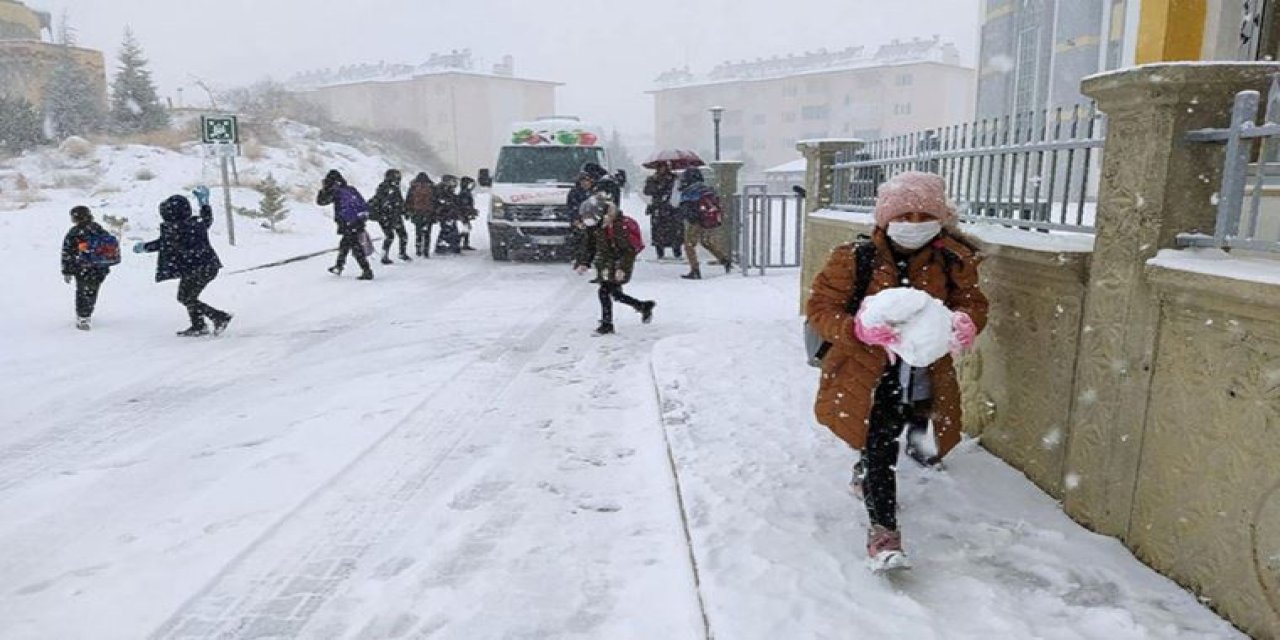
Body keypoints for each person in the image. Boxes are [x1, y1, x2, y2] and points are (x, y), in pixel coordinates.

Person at [806, 171, 988, 570]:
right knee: (879, 441)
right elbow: (820, 307)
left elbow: (971, 301)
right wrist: (855, 328)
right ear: (886, 219)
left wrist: (965, 321)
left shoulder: (952, 258)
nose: (914, 225)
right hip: (869, 371)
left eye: (925, 216)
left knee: (923, 435)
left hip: (925, 370)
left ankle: (882, 465)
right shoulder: (854, 257)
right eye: (905, 216)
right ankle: (884, 532)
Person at [133, 188, 234, 337]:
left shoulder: (174, 228)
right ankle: (199, 325)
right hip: (207, 266)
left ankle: (218, 317)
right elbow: (207, 219)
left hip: (195, 268)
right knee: (187, 296)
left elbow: (163, 244)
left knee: (186, 297)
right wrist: (204, 203)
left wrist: (145, 247)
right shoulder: (196, 223)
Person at [574, 193, 655, 336]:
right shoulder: (597, 226)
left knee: (604, 291)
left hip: (619, 262)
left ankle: (607, 324)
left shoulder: (617, 226)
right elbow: (590, 245)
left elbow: (628, 250)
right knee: (615, 293)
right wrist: (584, 262)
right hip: (606, 262)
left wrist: (621, 268)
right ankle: (643, 306)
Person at [60, 206, 115, 330]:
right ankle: (87, 313)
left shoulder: (74, 232)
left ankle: (83, 317)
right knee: (93, 291)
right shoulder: (98, 228)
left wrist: (67, 271)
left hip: (83, 267)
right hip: (99, 267)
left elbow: (67, 253)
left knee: (82, 292)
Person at [316, 170, 374, 280]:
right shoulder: (350, 189)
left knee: (355, 247)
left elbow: (321, 202)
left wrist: (323, 189)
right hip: (357, 221)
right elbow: (363, 204)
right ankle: (339, 266)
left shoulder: (335, 191)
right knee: (345, 244)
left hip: (347, 223)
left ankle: (367, 270)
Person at [677, 168, 732, 279]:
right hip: (708, 220)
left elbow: (685, 208)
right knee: (706, 242)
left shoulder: (690, 191)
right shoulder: (707, 189)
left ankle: (695, 269)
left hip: (695, 221)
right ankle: (724, 260)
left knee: (689, 245)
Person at [368, 168, 411, 264]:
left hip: (393, 216)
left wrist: (404, 211)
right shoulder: (385, 188)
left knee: (400, 235)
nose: (398, 178)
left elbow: (399, 202)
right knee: (391, 236)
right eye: (396, 176)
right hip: (386, 216)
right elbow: (386, 202)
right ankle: (386, 256)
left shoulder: (394, 187)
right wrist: (399, 210)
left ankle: (400, 254)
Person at [643, 162, 682, 260]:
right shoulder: (652, 179)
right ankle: (660, 252)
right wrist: (657, 187)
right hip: (658, 208)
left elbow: (678, 190)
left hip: (671, 208)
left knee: (674, 231)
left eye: (665, 167)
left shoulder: (674, 178)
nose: (663, 169)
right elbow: (647, 191)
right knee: (658, 231)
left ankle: (676, 251)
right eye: (661, 167)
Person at [406, 172, 435, 257]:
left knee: (418, 232)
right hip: (428, 213)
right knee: (427, 233)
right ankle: (426, 251)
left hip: (417, 213)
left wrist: (408, 211)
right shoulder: (431, 187)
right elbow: (435, 200)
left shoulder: (413, 187)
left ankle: (418, 249)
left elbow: (409, 200)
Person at [433, 175, 462, 255]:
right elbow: (443, 201)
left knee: (449, 229)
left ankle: (448, 247)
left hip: (448, 213)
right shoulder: (442, 190)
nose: (455, 184)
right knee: (448, 230)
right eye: (453, 181)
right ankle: (444, 247)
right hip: (445, 214)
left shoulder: (444, 189)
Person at [457, 176, 478, 251]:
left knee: (467, 227)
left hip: (463, 212)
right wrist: (470, 211)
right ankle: (459, 241)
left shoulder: (465, 191)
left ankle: (463, 243)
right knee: (467, 227)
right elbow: (465, 204)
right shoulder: (465, 192)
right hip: (464, 213)